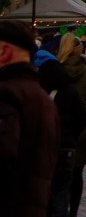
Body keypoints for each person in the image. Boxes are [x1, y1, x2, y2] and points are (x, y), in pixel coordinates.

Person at [0, 21, 62, 217]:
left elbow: (3, 152)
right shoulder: (41, 96)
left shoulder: (7, 93)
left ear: (4, 51)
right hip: (34, 204)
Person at [46, 33, 86, 217]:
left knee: (56, 177)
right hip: (84, 123)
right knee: (77, 171)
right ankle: (73, 210)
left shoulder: (55, 69)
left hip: (59, 127)